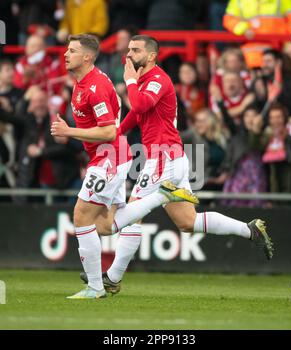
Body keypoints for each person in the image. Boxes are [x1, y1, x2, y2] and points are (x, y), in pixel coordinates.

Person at [80, 35, 274, 295]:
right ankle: (249, 230)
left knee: (130, 217)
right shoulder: (146, 81)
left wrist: (128, 80)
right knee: (187, 222)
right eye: (128, 50)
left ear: (151, 56)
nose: (129, 54)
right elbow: (138, 113)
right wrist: (118, 133)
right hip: (170, 157)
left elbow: (139, 104)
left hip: (164, 158)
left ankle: (112, 278)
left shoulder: (158, 79)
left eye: (135, 50)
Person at [50, 34, 197, 299]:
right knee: (106, 226)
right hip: (108, 156)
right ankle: (107, 280)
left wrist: (69, 131)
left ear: (87, 57)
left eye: (71, 50)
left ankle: (96, 287)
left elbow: (108, 132)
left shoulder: (96, 87)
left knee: (82, 216)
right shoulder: (82, 83)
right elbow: (124, 121)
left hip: (111, 156)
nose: (65, 54)